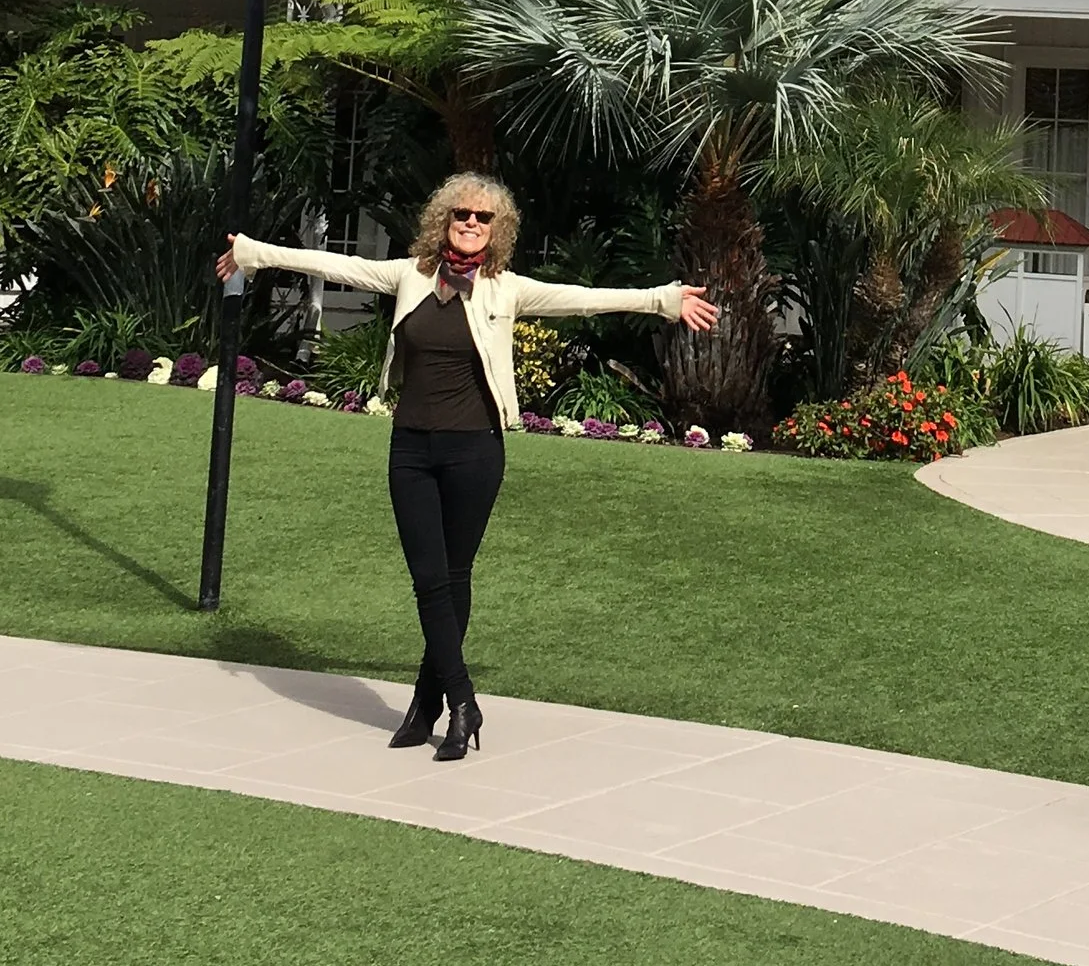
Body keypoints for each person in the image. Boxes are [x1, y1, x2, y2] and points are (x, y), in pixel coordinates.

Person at [216, 176, 717, 761]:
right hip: (411, 449)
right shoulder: (409, 276)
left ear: (497, 228)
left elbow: (582, 296)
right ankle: (460, 699)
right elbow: (331, 263)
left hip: (475, 450)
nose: (472, 223)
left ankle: (431, 704)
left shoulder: (504, 289)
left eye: (484, 217)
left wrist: (663, 299)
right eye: (462, 213)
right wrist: (252, 251)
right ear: (443, 218)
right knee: (429, 579)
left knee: (454, 576)